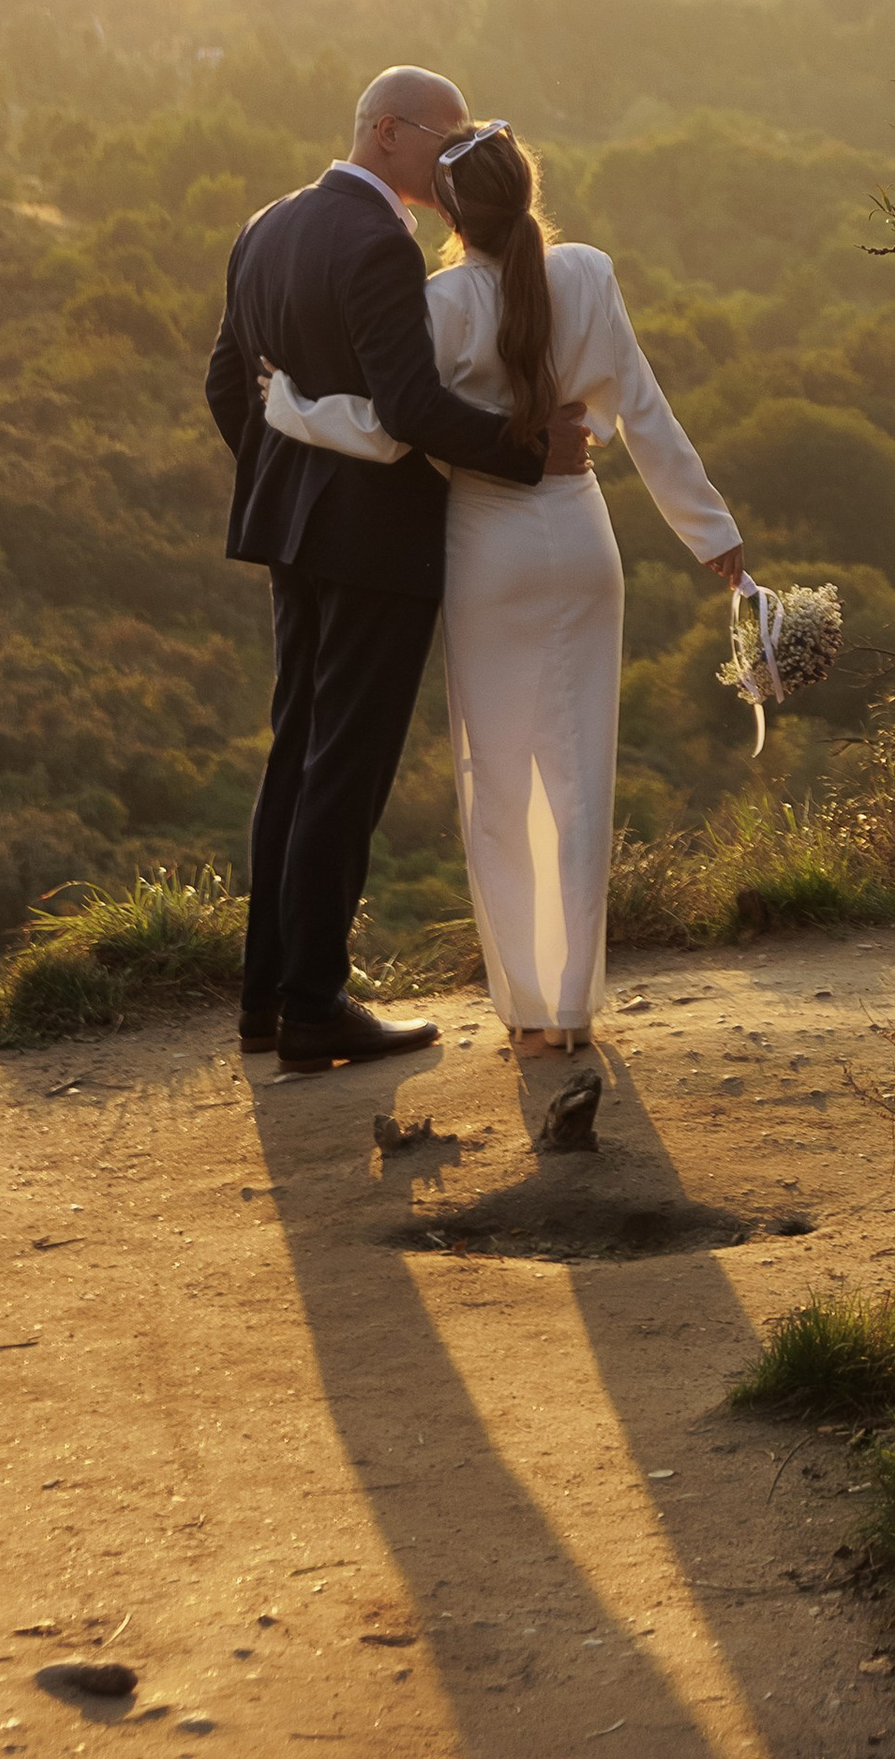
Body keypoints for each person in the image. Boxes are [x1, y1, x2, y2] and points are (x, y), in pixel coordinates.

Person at [260, 118, 744, 1057]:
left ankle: (525, 1011)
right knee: (580, 775)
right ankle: (573, 1009)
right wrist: (714, 538)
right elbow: (645, 413)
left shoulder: (440, 302)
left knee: (500, 786)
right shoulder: (591, 274)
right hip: (582, 535)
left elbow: (389, 428)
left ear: (446, 211)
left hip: (488, 544)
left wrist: (293, 406)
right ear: (529, 186)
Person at [204, 66, 593, 1072]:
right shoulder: (378, 241)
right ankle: (316, 1005)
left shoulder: (266, 225)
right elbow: (412, 406)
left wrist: (286, 481)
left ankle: (266, 1001)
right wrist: (528, 450)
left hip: (292, 531)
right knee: (347, 763)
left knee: (296, 753)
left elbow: (226, 387)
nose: (457, 154)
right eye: (443, 135)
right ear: (386, 134)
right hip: (375, 540)